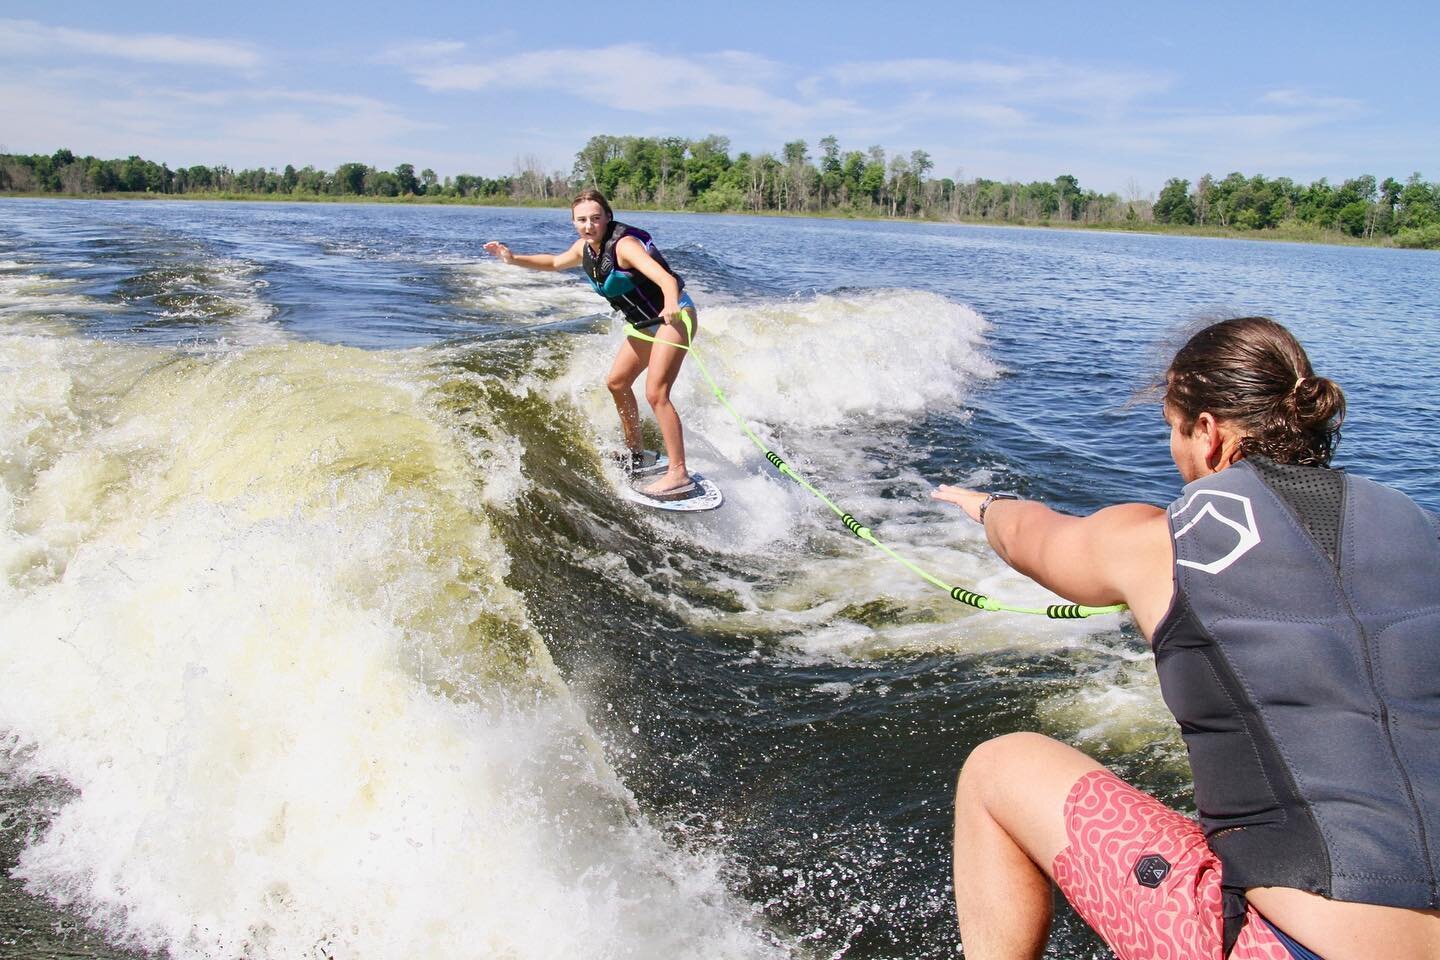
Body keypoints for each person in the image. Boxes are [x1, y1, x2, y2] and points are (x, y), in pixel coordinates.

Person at [933, 317, 1439, 960]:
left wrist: (986, 506)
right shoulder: (1423, 526)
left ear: (1209, 431)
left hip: (1295, 948)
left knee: (998, 769)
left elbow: (1033, 540)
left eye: (1173, 428)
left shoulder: (1164, 540)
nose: (1175, 452)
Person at [484, 189, 698, 497]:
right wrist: (512, 258)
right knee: (617, 382)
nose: (589, 225)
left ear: (607, 218)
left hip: (674, 316)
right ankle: (636, 452)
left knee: (656, 393)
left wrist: (669, 304)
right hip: (642, 324)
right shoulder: (584, 248)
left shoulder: (625, 246)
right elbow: (555, 262)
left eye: (595, 219)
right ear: (574, 222)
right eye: (582, 220)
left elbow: (665, 279)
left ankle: (679, 473)